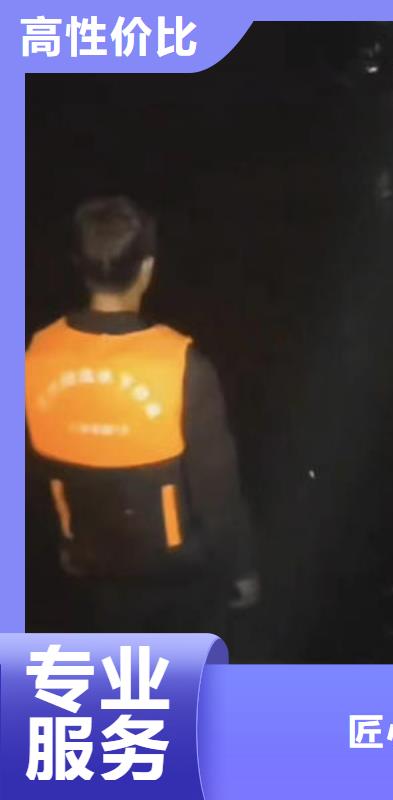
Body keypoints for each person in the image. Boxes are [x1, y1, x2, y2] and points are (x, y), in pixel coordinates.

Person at [25, 196, 259, 634]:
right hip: (177, 575)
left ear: (79, 265)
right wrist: (240, 567)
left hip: (90, 564)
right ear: (147, 268)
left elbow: (32, 465)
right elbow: (216, 489)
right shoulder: (182, 364)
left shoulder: (35, 353)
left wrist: (65, 542)